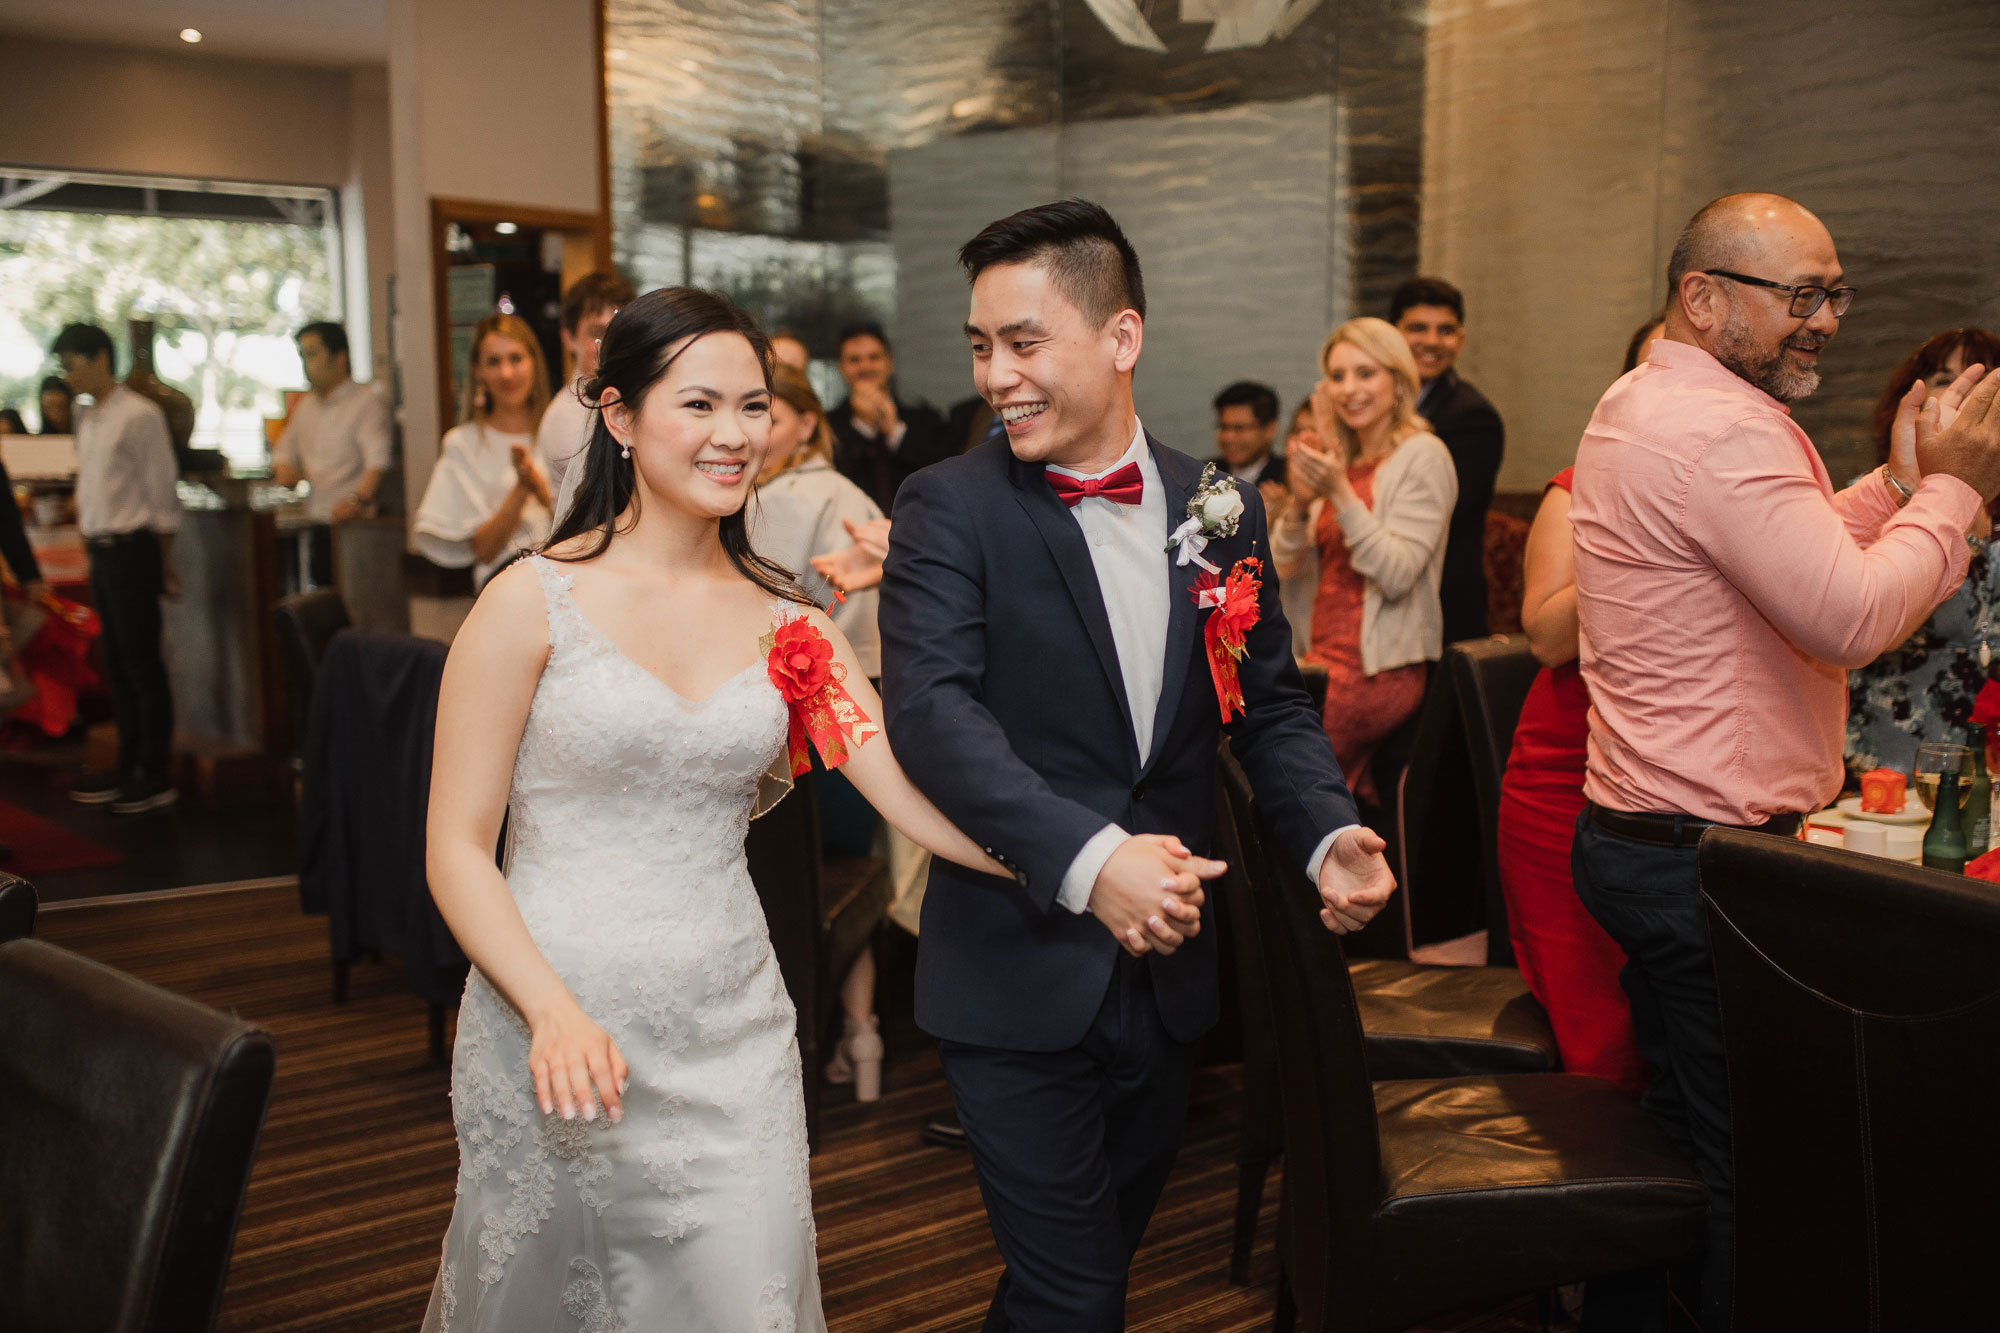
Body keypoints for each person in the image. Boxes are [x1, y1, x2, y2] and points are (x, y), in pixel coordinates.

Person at [420, 286, 1001, 1331]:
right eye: (699, 404)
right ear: (618, 416)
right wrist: (548, 1010)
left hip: (732, 1032)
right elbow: (456, 850)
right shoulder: (526, 603)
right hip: (552, 1022)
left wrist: (1075, 863)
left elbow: (906, 792)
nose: (735, 435)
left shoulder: (797, 628)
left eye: (754, 405)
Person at [879, 198, 1394, 1330]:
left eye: (1023, 343)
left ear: (1120, 337)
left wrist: (1320, 826)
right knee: (1078, 1296)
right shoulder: (945, 505)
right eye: (979, 347)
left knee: (1081, 1271)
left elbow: (1261, 699)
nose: (996, 376)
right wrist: (1091, 855)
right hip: (1015, 968)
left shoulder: (1217, 503)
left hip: (1167, 982)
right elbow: (929, 714)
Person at [1570, 192, 2000, 1330]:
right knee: (1742, 1164)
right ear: (1701, 296)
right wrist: (1957, 492)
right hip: (1695, 857)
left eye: (1831, 291)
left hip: (1645, 836)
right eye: (1796, 295)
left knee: (1677, 1134)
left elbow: (1787, 551)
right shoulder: (1721, 428)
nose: (1821, 319)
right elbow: (1846, 618)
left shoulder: (1654, 398)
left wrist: (1903, 487)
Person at [1492, 319, 1671, 1102]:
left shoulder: (1743, 499)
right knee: (1606, 1036)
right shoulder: (1578, 490)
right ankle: (1607, 1201)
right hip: (1568, 785)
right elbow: (1546, 636)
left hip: (1678, 789)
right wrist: (1635, 528)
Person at [748, 361, 891, 1100]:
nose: (748, 432)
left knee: (796, 878)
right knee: (853, 876)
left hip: (807, 711)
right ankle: (861, 1036)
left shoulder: (778, 499)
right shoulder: (850, 493)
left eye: (763, 413)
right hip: (869, 698)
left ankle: (800, 1038)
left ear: (806, 423)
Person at [1271, 317, 1457, 806]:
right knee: (1249, 746)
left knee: (1282, 772)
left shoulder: (1424, 455)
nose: (1349, 389)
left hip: (1378, 672)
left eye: (1365, 373)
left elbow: (1397, 574)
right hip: (1317, 661)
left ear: (1398, 380)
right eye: (1337, 376)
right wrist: (1299, 503)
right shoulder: (1342, 461)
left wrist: (1337, 493)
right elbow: (1281, 564)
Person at [1847, 327, 2000, 776]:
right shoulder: (1880, 500)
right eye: (1944, 378)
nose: (1969, 395)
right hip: (1881, 769)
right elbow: (1851, 621)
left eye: (1987, 381)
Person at [52, 323, 181, 815]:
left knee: (142, 664)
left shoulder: (140, 414)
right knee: (116, 664)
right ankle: (127, 764)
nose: (68, 376)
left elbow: (162, 493)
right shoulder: (89, 417)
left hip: (135, 549)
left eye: (73, 364)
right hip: (103, 552)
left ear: (101, 357)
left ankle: (157, 772)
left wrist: (166, 564)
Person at [1390, 276, 1504, 645]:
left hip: (1441, 602)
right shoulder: (1369, 405)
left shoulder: (1473, 417)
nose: (1432, 342)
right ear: (1393, 334)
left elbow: (1443, 515)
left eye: (1446, 330)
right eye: (1417, 328)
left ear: (1461, 340)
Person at [413, 313, 554, 588]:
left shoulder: (558, 433)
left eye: (515, 358)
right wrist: (521, 489)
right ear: (478, 370)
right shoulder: (463, 444)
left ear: (534, 362)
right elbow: (484, 550)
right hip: (503, 589)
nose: (506, 373)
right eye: (493, 361)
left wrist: (542, 490)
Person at [272, 321, 392, 587]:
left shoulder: (366, 403)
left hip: (354, 528)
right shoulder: (306, 406)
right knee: (320, 602)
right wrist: (284, 469)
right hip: (317, 521)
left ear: (340, 358)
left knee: (353, 606)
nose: (306, 364)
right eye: (303, 356)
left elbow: (378, 461)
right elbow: (283, 450)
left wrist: (358, 500)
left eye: (312, 354)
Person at [826, 320, 953, 513]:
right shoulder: (828, 425)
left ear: (890, 364)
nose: (865, 366)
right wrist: (863, 426)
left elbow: (942, 476)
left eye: (874, 357)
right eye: (854, 360)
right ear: (842, 368)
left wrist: (895, 431)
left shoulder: (926, 418)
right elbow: (832, 479)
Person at [537, 271, 635, 496]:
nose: (611, 344)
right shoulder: (567, 415)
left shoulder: (630, 395)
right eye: (597, 333)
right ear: (569, 339)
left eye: (618, 331)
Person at [1208, 380, 1287, 510]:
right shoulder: (1206, 474)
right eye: (1224, 427)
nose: (1228, 437)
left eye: (1239, 428)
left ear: (1270, 429)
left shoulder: (1286, 478)